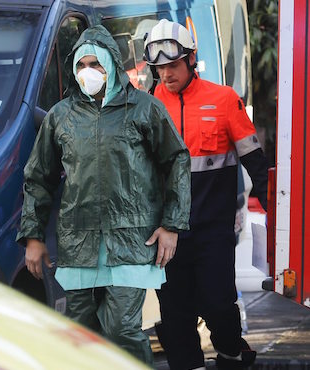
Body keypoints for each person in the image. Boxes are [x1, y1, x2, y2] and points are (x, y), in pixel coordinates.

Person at [17, 25, 191, 365]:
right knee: (82, 333)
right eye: (81, 65)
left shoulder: (144, 109)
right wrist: (33, 238)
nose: (88, 73)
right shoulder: (60, 117)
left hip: (131, 243)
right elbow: (38, 178)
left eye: (96, 64)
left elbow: (176, 161)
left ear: (112, 64)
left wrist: (171, 225)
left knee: (122, 329)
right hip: (79, 244)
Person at [144, 19, 268, 369]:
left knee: (218, 305)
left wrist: (281, 217)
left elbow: (256, 165)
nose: (166, 74)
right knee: (176, 316)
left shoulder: (225, 100)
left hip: (214, 230)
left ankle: (231, 351)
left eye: (172, 65)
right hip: (166, 234)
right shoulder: (146, 108)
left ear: (191, 59)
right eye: (159, 68)